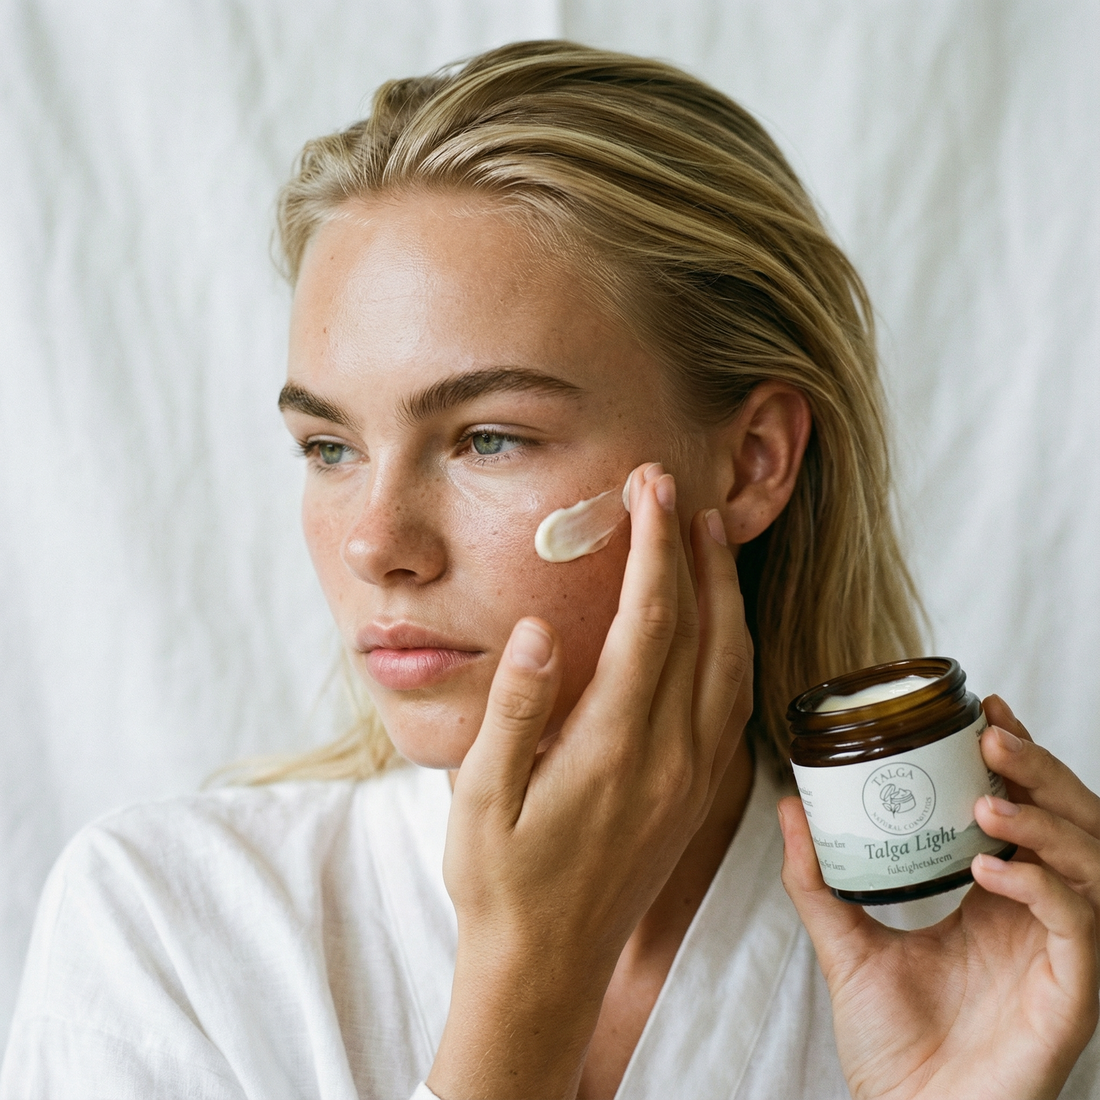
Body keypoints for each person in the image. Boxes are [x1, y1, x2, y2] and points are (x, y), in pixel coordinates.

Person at [3, 39, 1099, 1100]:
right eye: (329, 448)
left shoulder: (987, 971)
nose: (375, 542)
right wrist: (525, 987)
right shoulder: (168, 927)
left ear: (751, 461)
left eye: (487, 437)